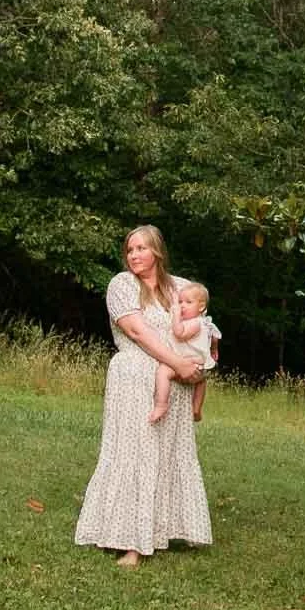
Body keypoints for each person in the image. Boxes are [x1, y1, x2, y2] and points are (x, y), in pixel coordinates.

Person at [74, 225, 212, 567]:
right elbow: (138, 332)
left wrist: (198, 364)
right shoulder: (122, 285)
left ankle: (165, 529)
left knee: (168, 453)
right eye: (130, 249)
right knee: (135, 453)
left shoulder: (181, 287)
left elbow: (201, 326)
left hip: (174, 383)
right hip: (135, 377)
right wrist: (178, 363)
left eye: (141, 249)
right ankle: (129, 542)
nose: (134, 255)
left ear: (157, 252)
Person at [149, 281, 220, 425]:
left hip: (187, 363)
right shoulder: (207, 323)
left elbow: (179, 333)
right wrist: (214, 350)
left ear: (201, 307)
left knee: (163, 372)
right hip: (199, 367)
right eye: (180, 302)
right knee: (201, 381)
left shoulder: (195, 323)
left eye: (188, 302)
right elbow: (215, 336)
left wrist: (175, 316)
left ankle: (161, 404)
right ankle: (197, 408)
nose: (182, 306)